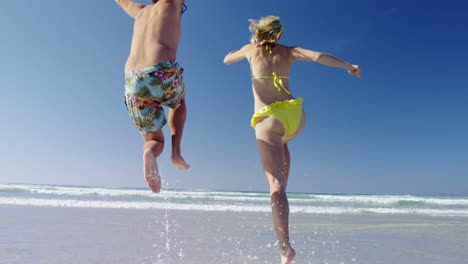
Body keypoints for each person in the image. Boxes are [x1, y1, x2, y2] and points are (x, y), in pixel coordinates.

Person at [224, 16, 362, 264]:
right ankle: (283, 194)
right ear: (278, 34)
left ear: (259, 32)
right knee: (283, 153)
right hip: (295, 117)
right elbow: (318, 56)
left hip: (268, 120)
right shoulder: (290, 51)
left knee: (275, 186)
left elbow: (226, 59)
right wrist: (348, 66)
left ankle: (284, 247)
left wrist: (239, 49)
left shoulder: (250, 50)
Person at [115, 0, 190, 193]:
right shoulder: (172, 4)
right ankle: (176, 153)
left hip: (132, 80)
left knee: (154, 140)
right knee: (179, 103)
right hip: (159, 71)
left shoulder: (140, 11)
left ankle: (150, 152)